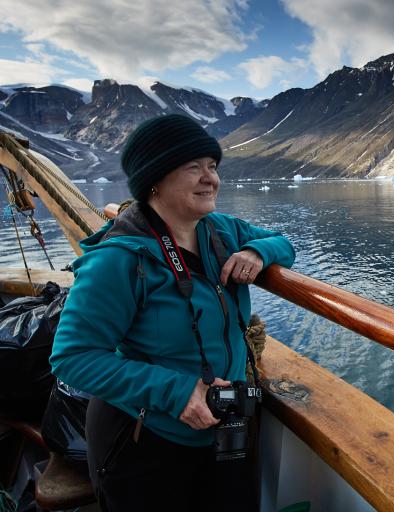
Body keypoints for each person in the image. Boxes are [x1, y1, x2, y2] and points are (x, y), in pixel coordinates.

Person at [50, 114, 295, 511]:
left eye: (212, 166)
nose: (210, 178)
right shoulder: (119, 259)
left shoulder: (222, 230)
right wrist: (176, 392)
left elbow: (282, 243)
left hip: (226, 426)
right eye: (192, 167)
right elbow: (72, 358)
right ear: (156, 180)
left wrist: (258, 252)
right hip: (147, 439)